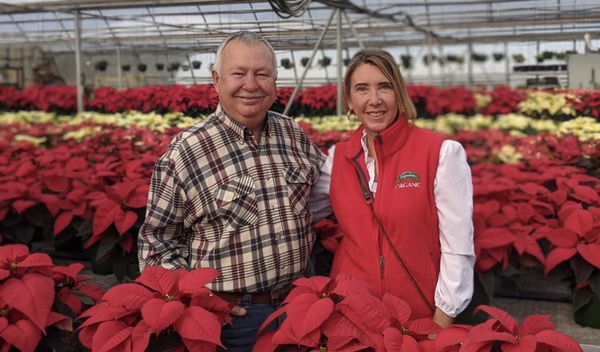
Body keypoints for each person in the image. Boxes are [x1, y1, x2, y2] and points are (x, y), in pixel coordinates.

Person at [138, 31, 325, 351]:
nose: (250, 85)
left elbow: (328, 192)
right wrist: (198, 298)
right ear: (216, 79)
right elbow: (156, 243)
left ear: (275, 82)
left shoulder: (292, 133)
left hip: (299, 305)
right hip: (235, 319)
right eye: (238, 73)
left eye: (262, 74)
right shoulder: (187, 151)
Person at [310, 49, 475, 328]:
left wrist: (440, 321)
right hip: (349, 319)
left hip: (417, 319)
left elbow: (458, 248)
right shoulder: (339, 158)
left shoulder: (441, 154)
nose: (374, 100)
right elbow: (300, 213)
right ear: (349, 101)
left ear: (399, 93)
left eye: (384, 87)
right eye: (362, 89)